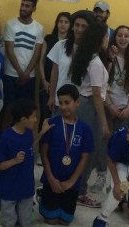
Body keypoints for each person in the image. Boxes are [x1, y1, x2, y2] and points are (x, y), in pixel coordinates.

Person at [39, 84, 93, 225]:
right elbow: (43, 153)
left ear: (77, 102)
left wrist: (71, 181)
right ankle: (43, 196)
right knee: (51, 220)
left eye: (67, 102)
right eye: (61, 103)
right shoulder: (51, 124)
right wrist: (50, 178)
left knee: (65, 221)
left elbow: (84, 158)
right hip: (52, 180)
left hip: (71, 183)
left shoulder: (85, 129)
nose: (63, 107)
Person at [69, 22, 110, 208]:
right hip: (90, 107)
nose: (108, 40)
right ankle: (80, 191)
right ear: (100, 38)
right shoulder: (95, 63)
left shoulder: (87, 57)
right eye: (106, 36)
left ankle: (77, 188)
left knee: (82, 149)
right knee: (89, 151)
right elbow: (96, 94)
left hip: (84, 104)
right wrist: (104, 123)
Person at [0, 98, 38, 227]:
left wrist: (43, 132)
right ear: (23, 119)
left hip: (26, 188)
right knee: (8, 222)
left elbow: (31, 147)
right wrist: (14, 160)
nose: (36, 120)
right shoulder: (6, 137)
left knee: (26, 222)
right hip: (9, 189)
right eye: (34, 116)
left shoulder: (29, 133)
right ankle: (0, 211)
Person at [47, 10, 95, 114]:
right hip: (60, 101)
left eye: (83, 26)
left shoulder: (92, 52)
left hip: (80, 104)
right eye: (77, 25)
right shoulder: (60, 45)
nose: (79, 29)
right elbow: (54, 73)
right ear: (72, 26)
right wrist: (51, 96)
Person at [3, 0, 44, 105]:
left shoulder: (39, 28)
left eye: (27, 6)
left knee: (26, 109)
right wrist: (20, 73)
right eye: (22, 4)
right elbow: (9, 50)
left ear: (34, 9)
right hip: (10, 74)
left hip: (29, 77)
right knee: (9, 108)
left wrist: (26, 73)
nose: (23, 8)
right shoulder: (10, 24)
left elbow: (37, 53)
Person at [105, 25, 129, 130]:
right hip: (107, 107)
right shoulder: (107, 57)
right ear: (114, 38)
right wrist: (110, 106)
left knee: (122, 138)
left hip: (126, 109)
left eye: (126, 36)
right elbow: (102, 84)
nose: (123, 38)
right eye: (119, 35)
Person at [38, 12, 70, 125]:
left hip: (62, 85)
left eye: (66, 22)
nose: (63, 24)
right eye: (60, 21)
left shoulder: (70, 43)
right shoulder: (48, 38)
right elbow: (41, 62)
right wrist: (44, 81)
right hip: (47, 84)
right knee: (45, 117)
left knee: (60, 119)